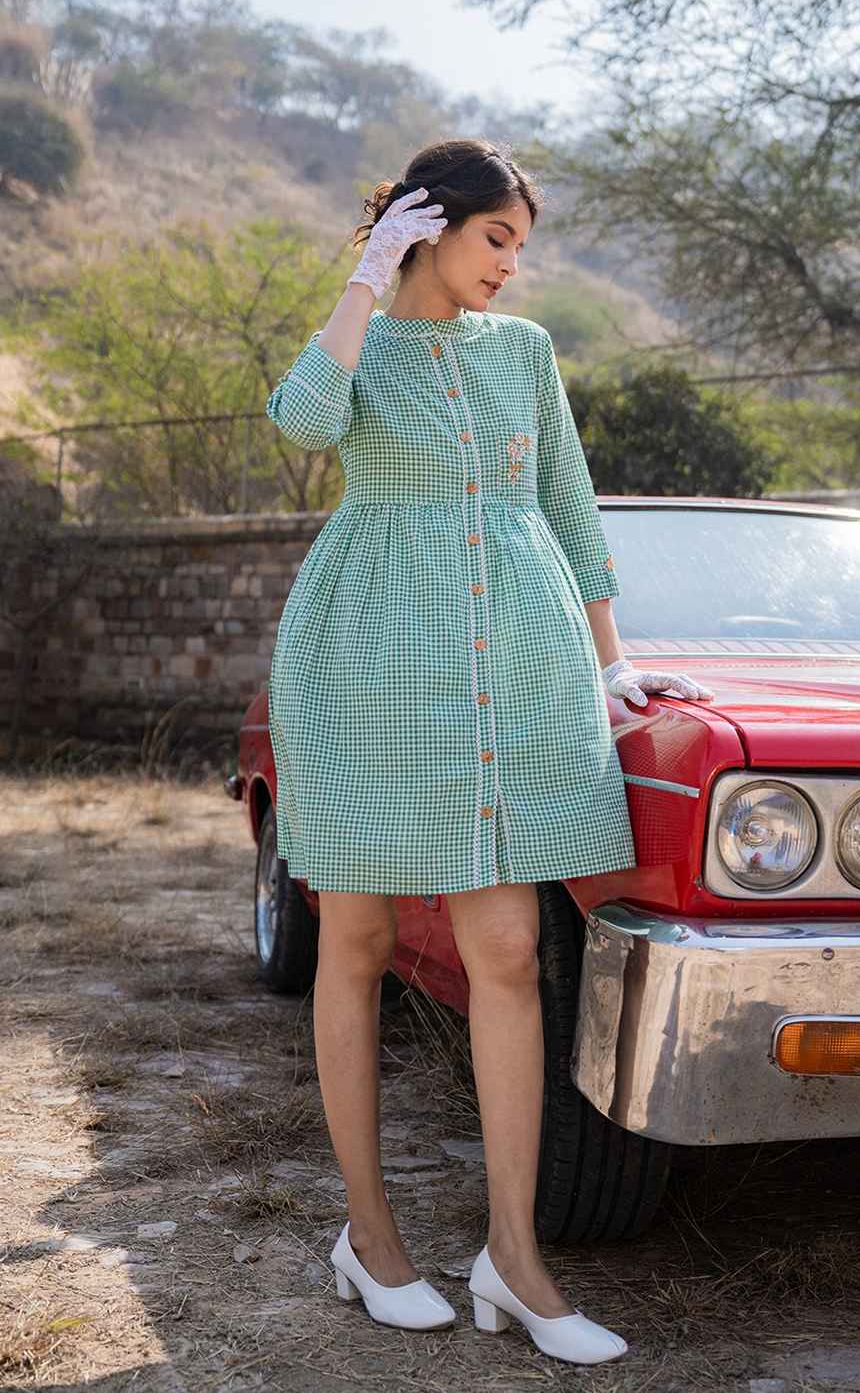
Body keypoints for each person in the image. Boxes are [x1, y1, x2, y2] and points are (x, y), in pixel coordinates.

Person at [265, 137, 714, 1365]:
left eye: (520, 245)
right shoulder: (360, 342)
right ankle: (370, 1238)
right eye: (493, 238)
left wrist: (613, 660)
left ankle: (513, 1259)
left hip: (511, 666)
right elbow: (301, 422)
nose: (510, 265)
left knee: (509, 948)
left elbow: (566, 502)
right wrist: (367, 275)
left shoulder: (521, 352)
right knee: (357, 942)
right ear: (429, 226)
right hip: (366, 666)